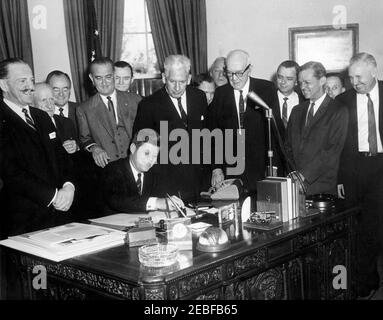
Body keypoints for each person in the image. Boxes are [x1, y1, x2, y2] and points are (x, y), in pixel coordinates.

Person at [0, 58, 75, 236]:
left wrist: (69, 186)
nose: (30, 86)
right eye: (22, 81)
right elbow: (12, 173)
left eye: (32, 80)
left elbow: (61, 158)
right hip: (22, 220)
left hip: (59, 215)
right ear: (3, 84)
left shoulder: (42, 117)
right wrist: (54, 196)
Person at [337, 52, 383, 298]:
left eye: (359, 76)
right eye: (351, 77)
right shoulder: (343, 101)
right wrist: (341, 180)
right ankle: (365, 281)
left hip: (381, 166)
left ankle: (371, 276)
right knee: (357, 228)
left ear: (374, 71)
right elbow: (340, 146)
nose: (355, 82)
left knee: (376, 226)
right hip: (355, 169)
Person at [133, 54, 208, 202]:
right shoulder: (149, 105)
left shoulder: (199, 97)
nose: (178, 87)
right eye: (172, 81)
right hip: (166, 182)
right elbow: (142, 146)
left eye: (182, 81)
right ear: (164, 78)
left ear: (189, 78)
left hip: (198, 180)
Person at [208, 49, 276, 195]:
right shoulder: (221, 94)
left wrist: (274, 168)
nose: (234, 78)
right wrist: (216, 167)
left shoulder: (266, 89)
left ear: (249, 69)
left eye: (239, 73)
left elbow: (275, 132)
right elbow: (215, 135)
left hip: (261, 168)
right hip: (232, 168)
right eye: (229, 73)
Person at [285, 61, 348, 195]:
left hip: (322, 187)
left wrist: (303, 176)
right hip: (295, 185)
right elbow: (288, 146)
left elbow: (332, 151)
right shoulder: (297, 111)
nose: (303, 87)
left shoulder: (338, 110)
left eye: (307, 82)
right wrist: (293, 175)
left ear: (322, 81)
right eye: (300, 83)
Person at [76, 57, 142, 168]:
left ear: (114, 75)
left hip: (136, 164)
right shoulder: (83, 109)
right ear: (91, 78)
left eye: (108, 77)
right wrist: (94, 148)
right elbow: (85, 138)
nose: (104, 83)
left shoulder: (136, 100)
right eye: (98, 78)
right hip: (107, 168)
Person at [102, 129, 186, 214]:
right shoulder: (113, 169)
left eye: (155, 156)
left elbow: (162, 194)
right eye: (146, 153)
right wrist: (157, 202)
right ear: (133, 148)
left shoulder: (153, 172)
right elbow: (118, 201)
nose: (151, 160)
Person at [33, 82, 78, 154]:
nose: (50, 106)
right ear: (32, 104)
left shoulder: (67, 122)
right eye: (44, 100)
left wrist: (75, 148)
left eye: (51, 99)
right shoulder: (31, 127)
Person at [46, 70, 79, 137]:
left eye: (65, 89)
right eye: (56, 89)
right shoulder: (41, 113)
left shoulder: (81, 109)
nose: (61, 94)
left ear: (70, 90)